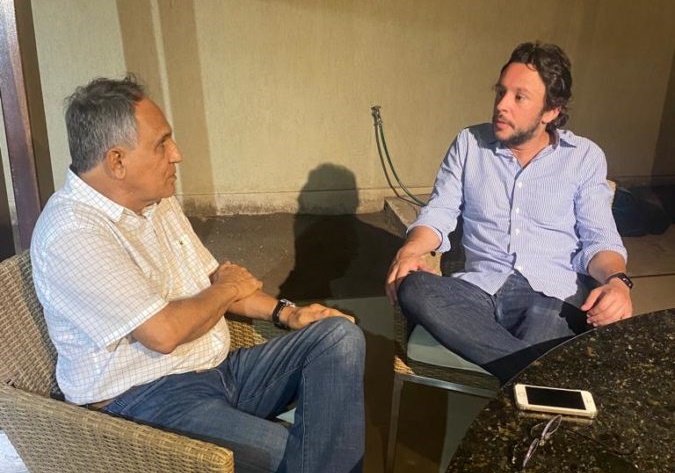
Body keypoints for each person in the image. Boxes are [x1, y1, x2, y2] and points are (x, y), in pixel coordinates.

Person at [31, 76, 365, 473]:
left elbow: (214, 280)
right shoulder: (73, 233)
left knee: (338, 338)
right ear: (117, 161)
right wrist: (226, 289)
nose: (177, 154)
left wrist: (288, 314)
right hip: (146, 401)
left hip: (219, 370)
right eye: (162, 144)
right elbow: (164, 333)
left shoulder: (155, 201)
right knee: (291, 456)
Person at [385, 42, 633, 384]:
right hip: (478, 291)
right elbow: (439, 212)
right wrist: (410, 250)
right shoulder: (469, 144)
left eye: (519, 97)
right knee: (415, 289)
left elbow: (599, 239)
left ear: (551, 111)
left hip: (550, 296)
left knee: (546, 325)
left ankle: (525, 376)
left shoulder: (583, 157)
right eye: (501, 92)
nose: (501, 105)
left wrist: (618, 282)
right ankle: (541, 378)